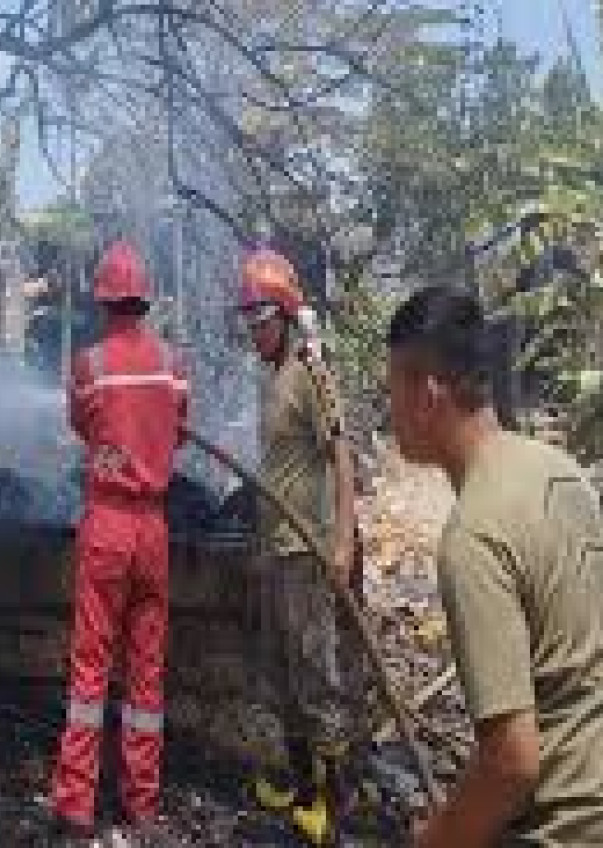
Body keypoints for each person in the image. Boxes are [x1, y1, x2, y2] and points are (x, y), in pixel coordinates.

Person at [386, 285, 603, 846]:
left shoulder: (473, 534)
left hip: (569, 827)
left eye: (391, 391)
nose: (389, 411)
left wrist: (436, 839)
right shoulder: (562, 472)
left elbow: (512, 765)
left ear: (427, 395)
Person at [49, 239, 189, 845]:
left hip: (107, 522)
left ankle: (76, 802)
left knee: (90, 667)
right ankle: (141, 803)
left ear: (103, 301)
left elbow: (82, 427)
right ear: (147, 301)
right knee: (146, 673)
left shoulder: (91, 365)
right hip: (154, 528)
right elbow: (178, 434)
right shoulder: (173, 364)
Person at [237, 247, 357, 844]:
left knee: (315, 672)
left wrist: (342, 538)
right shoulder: (274, 377)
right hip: (275, 548)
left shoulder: (311, 373)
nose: (253, 331)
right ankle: (291, 781)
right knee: (278, 670)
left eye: (261, 320)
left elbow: (341, 453)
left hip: (304, 549)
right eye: (248, 321)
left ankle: (330, 800)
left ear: (284, 317)